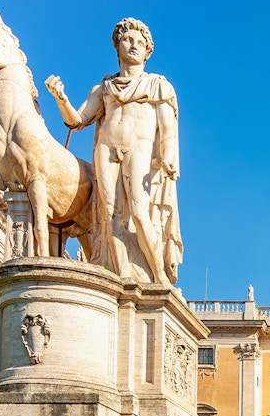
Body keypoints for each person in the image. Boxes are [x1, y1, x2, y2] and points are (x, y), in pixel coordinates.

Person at [45, 17, 182, 285]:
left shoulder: (158, 85)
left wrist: (168, 157)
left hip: (139, 147)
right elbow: (77, 120)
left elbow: (168, 128)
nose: (133, 45)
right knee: (108, 215)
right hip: (107, 148)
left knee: (140, 212)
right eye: (127, 40)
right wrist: (61, 99)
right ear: (117, 46)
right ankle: (124, 277)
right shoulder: (104, 88)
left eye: (140, 43)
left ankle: (159, 276)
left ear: (147, 51)